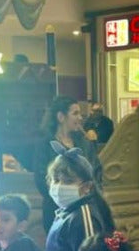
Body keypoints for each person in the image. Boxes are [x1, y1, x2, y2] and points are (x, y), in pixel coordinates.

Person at [33, 96, 103, 233]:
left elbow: (96, 172)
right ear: (61, 117)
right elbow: (41, 179)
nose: (81, 118)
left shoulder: (84, 143)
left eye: (80, 114)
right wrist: (63, 196)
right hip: (54, 210)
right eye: (75, 113)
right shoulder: (45, 144)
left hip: (84, 209)